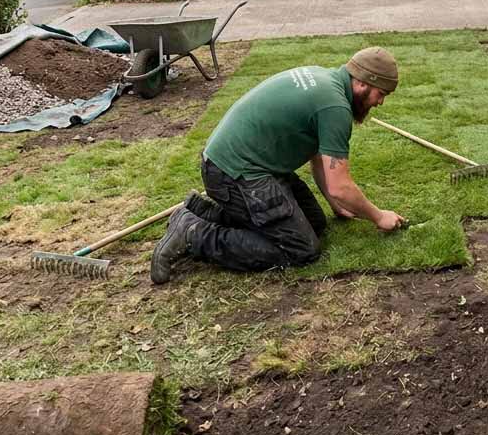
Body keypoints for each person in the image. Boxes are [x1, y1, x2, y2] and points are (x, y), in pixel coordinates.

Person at [150, 47, 405, 284]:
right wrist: (378, 216)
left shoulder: (325, 79)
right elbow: (341, 186)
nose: (380, 102)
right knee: (301, 249)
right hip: (234, 174)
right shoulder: (335, 107)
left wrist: (334, 203)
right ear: (362, 83)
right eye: (381, 94)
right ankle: (193, 234)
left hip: (245, 165)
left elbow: (319, 157)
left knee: (315, 223)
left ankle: (202, 212)